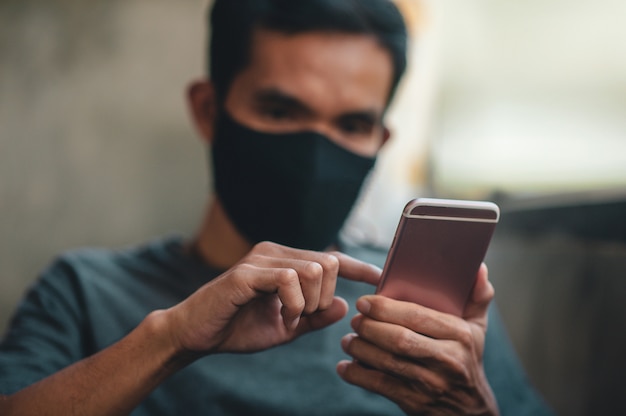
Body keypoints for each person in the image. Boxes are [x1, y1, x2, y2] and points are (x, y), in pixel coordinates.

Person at [0, 0, 552, 414]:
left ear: (380, 143)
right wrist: (169, 340)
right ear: (209, 111)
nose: (314, 155)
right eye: (280, 110)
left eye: (352, 125)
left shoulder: (431, 316)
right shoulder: (84, 294)